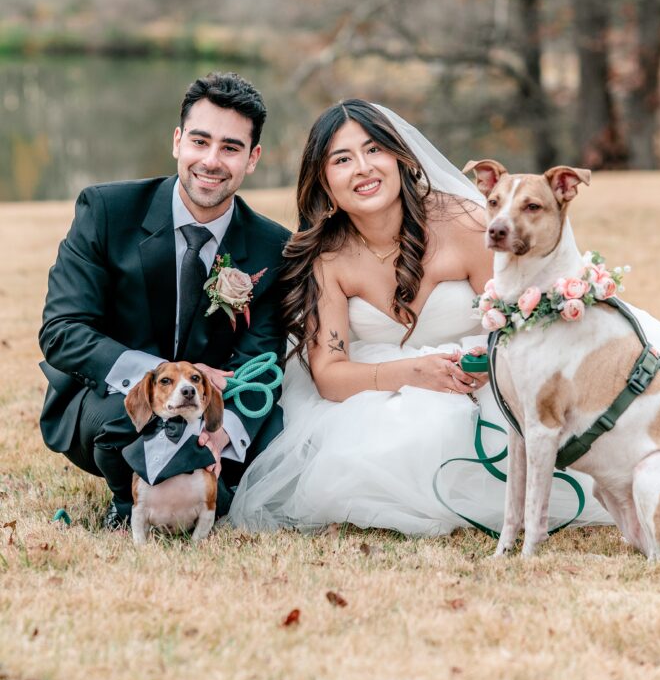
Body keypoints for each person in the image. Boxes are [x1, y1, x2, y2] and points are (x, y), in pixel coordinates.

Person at [229, 100, 612, 535]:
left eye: (374, 150)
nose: (362, 168)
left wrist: (485, 369)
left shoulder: (463, 221)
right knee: (377, 449)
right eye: (341, 159)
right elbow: (330, 375)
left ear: (400, 156)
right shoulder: (327, 258)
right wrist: (413, 372)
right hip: (377, 387)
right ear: (323, 179)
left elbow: (523, 322)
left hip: (484, 374)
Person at [39, 72, 290, 528]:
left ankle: (206, 493)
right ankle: (129, 506)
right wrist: (158, 379)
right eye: (200, 141)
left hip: (206, 410)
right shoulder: (106, 211)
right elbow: (62, 331)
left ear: (253, 159)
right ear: (177, 141)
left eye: (230, 148)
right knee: (127, 418)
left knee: (274, 433)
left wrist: (220, 433)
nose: (211, 161)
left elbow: (263, 355)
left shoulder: (273, 247)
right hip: (110, 403)